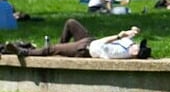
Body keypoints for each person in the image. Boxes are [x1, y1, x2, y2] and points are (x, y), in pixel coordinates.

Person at [3, 18, 151, 59]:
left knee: (52, 49)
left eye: (139, 47)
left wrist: (119, 35)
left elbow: (101, 44)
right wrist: (133, 31)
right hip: (89, 40)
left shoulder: (120, 54)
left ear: (135, 53)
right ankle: (59, 51)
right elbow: (131, 36)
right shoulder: (130, 46)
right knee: (71, 23)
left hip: (85, 49)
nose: (136, 44)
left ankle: (23, 52)